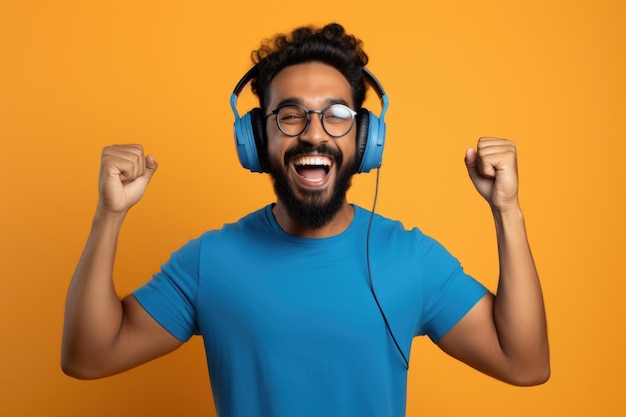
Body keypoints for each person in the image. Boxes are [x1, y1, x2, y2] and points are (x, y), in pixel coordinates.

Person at [61, 23, 550, 417]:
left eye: (336, 115)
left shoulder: (411, 259)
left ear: (364, 138)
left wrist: (507, 211)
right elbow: (88, 356)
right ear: (256, 139)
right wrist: (110, 215)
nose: (314, 134)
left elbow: (524, 363)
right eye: (290, 115)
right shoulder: (211, 260)